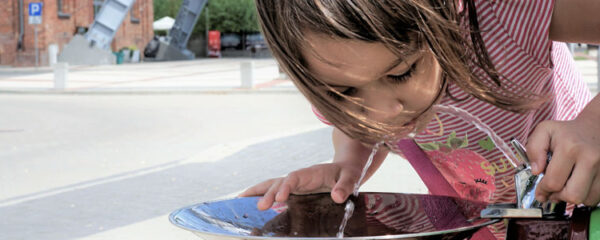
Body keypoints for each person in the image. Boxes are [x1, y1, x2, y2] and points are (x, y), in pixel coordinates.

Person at [240, 0, 600, 238]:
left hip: (587, 198)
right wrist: (346, 166)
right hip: (490, 219)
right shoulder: (342, 75)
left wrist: (592, 126)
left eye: (401, 73)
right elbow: (358, 130)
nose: (384, 114)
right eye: (347, 93)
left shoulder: (502, 14)